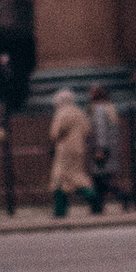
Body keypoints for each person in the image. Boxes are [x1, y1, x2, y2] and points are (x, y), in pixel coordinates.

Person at [47, 88, 93, 222]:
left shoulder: (62, 113)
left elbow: (54, 134)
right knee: (77, 174)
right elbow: (87, 130)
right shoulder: (79, 112)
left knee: (59, 178)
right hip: (79, 148)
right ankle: (94, 198)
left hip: (65, 150)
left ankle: (60, 211)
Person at [86, 83, 121, 217]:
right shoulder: (109, 108)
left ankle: (98, 206)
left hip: (100, 149)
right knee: (103, 179)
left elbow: (101, 131)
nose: (89, 94)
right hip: (109, 149)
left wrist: (100, 149)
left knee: (100, 180)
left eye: (92, 92)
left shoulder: (99, 109)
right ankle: (98, 207)